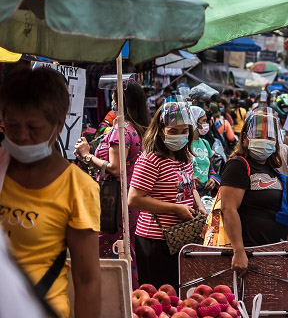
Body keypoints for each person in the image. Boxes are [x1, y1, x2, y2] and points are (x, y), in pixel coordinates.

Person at [0, 67, 101, 318]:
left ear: (58, 125)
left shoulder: (78, 187)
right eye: (12, 126)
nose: (22, 136)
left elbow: (87, 279)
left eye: (34, 127)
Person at [74, 79, 149, 287]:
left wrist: (86, 155)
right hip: (127, 200)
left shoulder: (121, 130)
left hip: (114, 202)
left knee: (110, 250)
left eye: (114, 97)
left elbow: (116, 168)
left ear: (118, 101)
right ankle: (130, 297)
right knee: (127, 249)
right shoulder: (136, 129)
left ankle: (116, 296)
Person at [128, 101, 206, 289]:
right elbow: (134, 198)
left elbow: (190, 186)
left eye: (184, 131)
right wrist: (175, 209)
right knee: (160, 297)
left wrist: (200, 205)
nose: (179, 136)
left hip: (181, 238)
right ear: (161, 130)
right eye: (173, 131)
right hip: (155, 241)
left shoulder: (184, 156)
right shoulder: (151, 159)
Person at [219, 107, 287, 274]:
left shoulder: (272, 169)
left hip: (272, 252)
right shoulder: (238, 165)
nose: (264, 140)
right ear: (244, 138)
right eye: (258, 135)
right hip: (250, 254)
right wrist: (239, 251)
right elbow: (228, 209)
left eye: (269, 137)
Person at [189, 106, 217, 197]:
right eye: (204, 121)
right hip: (190, 192)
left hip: (205, 192)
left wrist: (212, 179)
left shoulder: (205, 143)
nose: (206, 124)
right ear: (193, 121)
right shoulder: (184, 145)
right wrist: (189, 178)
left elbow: (211, 168)